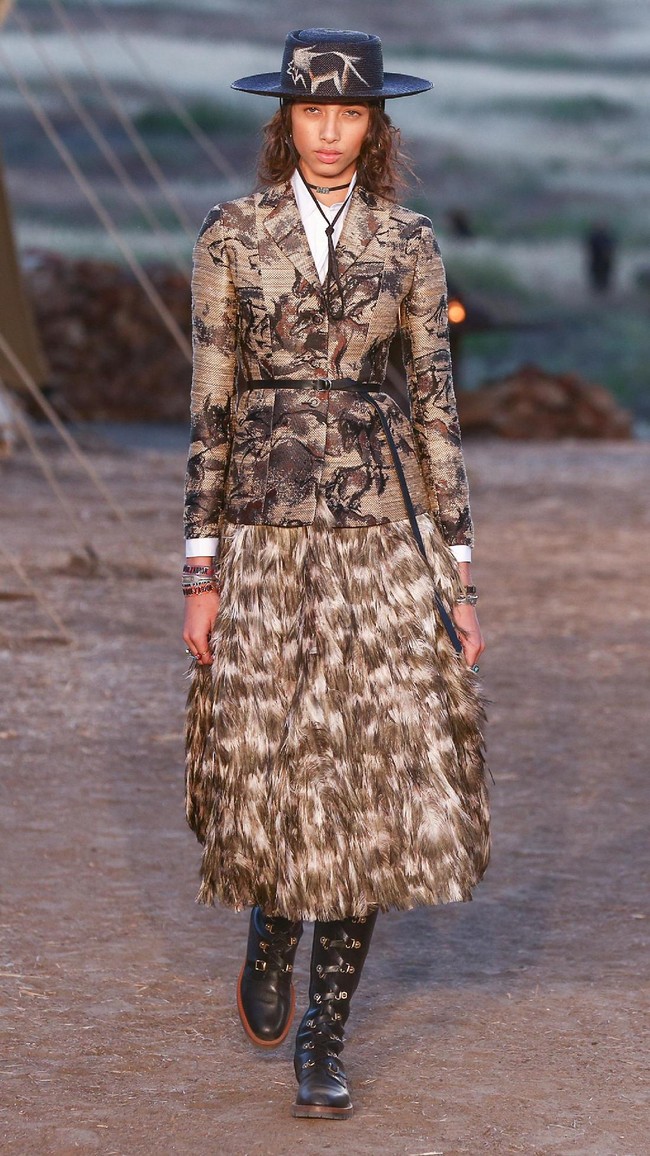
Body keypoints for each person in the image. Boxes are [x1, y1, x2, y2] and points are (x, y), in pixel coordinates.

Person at [182, 28, 490, 1121]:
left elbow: (435, 409)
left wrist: (456, 572)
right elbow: (212, 406)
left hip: (378, 534)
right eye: (311, 111)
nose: (327, 128)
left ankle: (324, 1032)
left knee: (368, 783)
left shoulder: (407, 243)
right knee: (268, 759)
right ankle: (271, 908)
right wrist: (200, 567)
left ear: (373, 125)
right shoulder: (230, 235)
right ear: (284, 120)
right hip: (263, 533)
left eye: (349, 112)